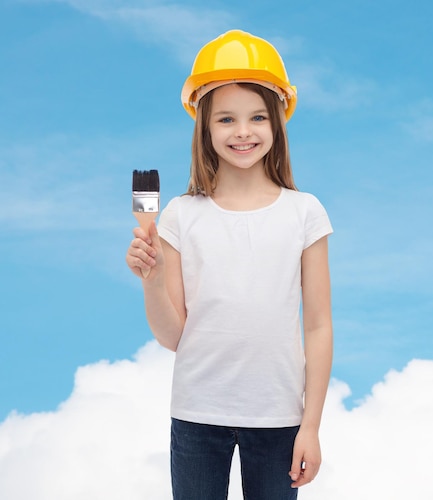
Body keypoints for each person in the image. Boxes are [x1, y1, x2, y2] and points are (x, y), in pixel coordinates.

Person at [125, 29, 333, 500]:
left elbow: (319, 327)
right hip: (198, 416)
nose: (243, 131)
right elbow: (174, 337)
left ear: (278, 121)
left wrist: (311, 426)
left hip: (281, 420)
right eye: (226, 119)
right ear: (204, 126)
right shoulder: (180, 215)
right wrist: (152, 280)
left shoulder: (305, 213)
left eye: (258, 116)